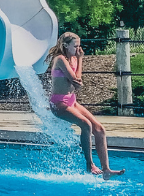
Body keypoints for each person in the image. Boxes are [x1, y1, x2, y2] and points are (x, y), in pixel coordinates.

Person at [47, 32, 125, 180]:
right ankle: (89, 165)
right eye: (75, 46)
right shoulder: (60, 60)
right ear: (65, 46)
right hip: (59, 104)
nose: (78, 49)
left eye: (79, 46)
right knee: (86, 125)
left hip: (72, 101)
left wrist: (80, 61)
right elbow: (75, 80)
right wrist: (77, 79)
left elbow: (78, 82)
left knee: (100, 129)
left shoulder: (74, 59)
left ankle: (106, 169)